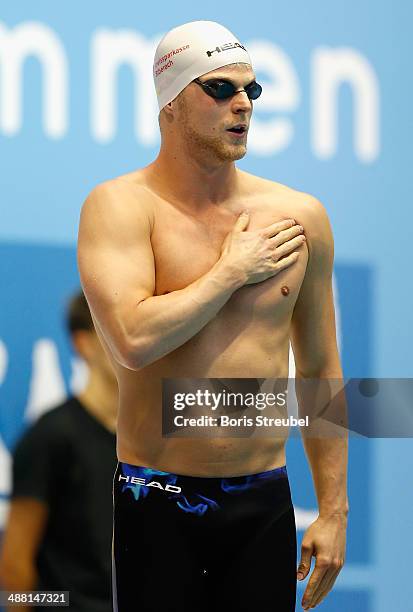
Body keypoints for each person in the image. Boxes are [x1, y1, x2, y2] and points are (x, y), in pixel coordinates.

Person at [77, 20, 349, 612]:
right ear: (171, 102)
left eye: (251, 90)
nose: (242, 105)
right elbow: (131, 340)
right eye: (220, 89)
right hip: (158, 495)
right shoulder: (121, 207)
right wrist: (230, 272)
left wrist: (333, 510)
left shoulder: (299, 217)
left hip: (263, 498)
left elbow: (322, 370)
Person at [0, 291, 118, 612]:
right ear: (83, 344)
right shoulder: (51, 436)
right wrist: (61, 604)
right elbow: (14, 569)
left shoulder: (155, 442)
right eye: (115, 331)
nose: (132, 343)